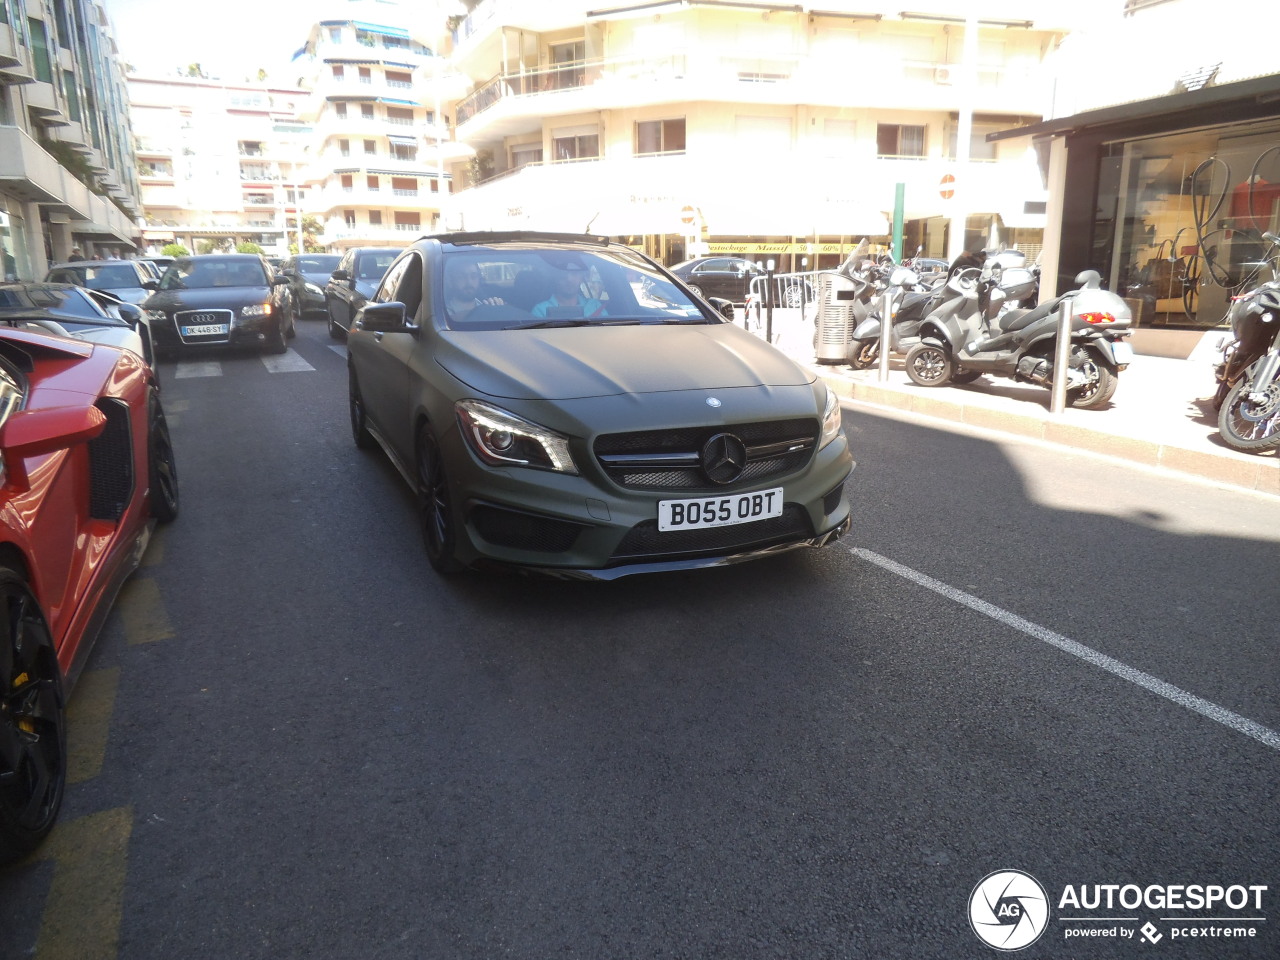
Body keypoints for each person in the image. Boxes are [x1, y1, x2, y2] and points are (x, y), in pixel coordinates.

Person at [531, 259, 606, 318]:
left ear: (581, 278)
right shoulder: (541, 310)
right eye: (563, 274)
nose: (569, 279)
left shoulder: (594, 306)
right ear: (555, 278)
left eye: (574, 274)